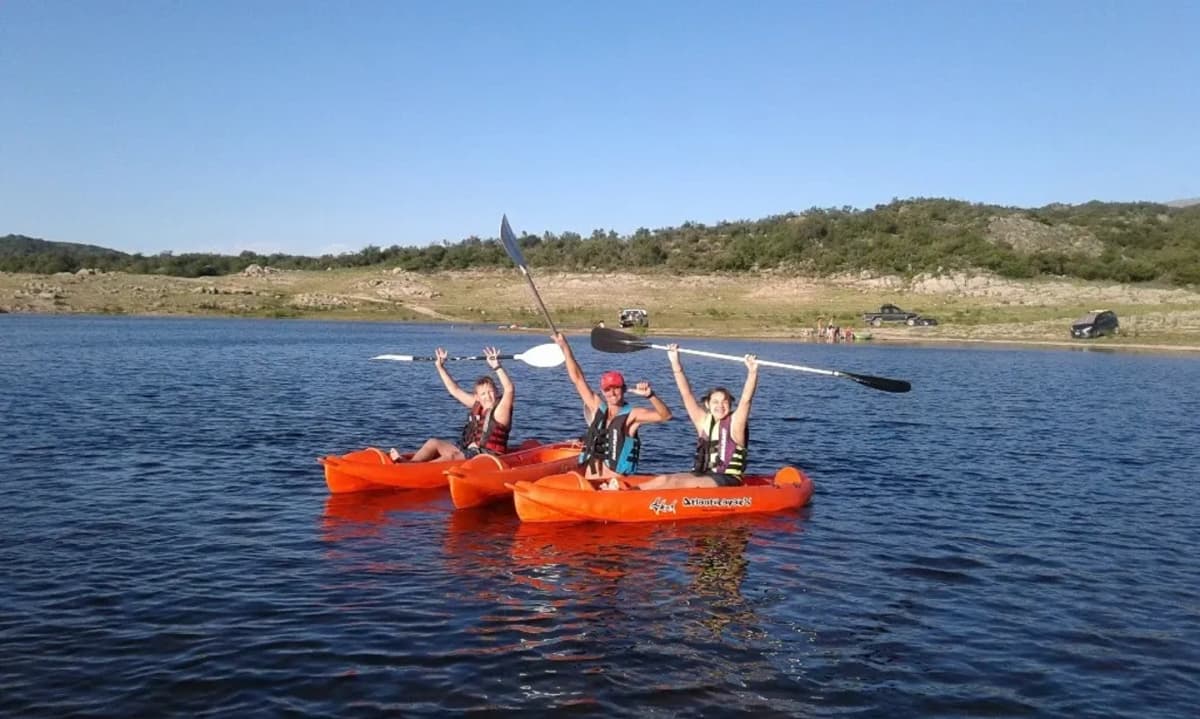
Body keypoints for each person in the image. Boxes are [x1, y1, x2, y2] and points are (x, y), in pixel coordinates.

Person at [638, 343, 758, 489]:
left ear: (730, 405)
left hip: (727, 479)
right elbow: (686, 394)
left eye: (724, 402)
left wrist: (752, 373)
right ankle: (628, 494)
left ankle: (626, 498)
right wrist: (675, 362)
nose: (720, 405)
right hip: (703, 474)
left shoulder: (736, 423)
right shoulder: (703, 421)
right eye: (715, 402)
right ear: (707, 405)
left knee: (677, 483)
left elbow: (746, 400)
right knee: (664, 479)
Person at [551, 332, 671, 479]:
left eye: (616, 388)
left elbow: (665, 416)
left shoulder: (633, 415)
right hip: (591, 477)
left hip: (615, 483)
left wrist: (650, 396)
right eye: (607, 389)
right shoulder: (597, 407)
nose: (612, 393)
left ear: (624, 389)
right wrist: (565, 347)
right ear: (602, 391)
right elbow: (577, 379)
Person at [388, 346, 514, 462]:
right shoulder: (478, 405)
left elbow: (509, 389)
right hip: (470, 452)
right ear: (477, 397)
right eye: (483, 394)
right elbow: (455, 390)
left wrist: (497, 367)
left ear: (497, 392)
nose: (487, 396)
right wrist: (440, 367)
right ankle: (412, 464)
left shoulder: (500, 411)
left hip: (488, 457)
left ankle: (411, 468)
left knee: (452, 456)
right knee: (433, 442)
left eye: (490, 392)